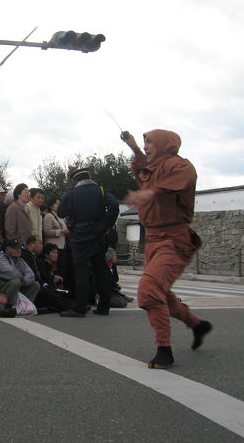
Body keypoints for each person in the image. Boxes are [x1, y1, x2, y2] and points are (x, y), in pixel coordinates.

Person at [122, 129, 212, 369]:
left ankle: (164, 350)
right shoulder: (154, 169)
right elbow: (144, 171)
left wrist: (148, 193)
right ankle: (196, 324)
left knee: (150, 290)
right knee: (161, 293)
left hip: (174, 240)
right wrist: (133, 147)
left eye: (149, 141)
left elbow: (166, 187)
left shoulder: (180, 166)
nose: (146, 145)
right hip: (153, 240)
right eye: (144, 141)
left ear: (164, 144)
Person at [58, 168, 119, 317]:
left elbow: (61, 212)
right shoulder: (101, 189)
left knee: (81, 271)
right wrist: (105, 225)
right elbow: (114, 206)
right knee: (101, 270)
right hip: (97, 235)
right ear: (89, 177)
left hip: (79, 236)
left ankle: (80, 307)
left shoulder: (71, 193)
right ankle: (104, 306)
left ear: (76, 180)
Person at [22, 238, 72, 313]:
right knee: (51, 294)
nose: (42, 246)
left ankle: (71, 305)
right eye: (40, 243)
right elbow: (33, 275)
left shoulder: (34, 257)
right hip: (33, 286)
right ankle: (71, 307)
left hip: (42, 285)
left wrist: (53, 279)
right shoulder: (26, 256)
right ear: (32, 245)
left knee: (62, 293)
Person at [0, 238, 40, 309]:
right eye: (15, 248)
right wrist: (23, 277)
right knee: (15, 282)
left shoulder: (21, 261)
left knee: (35, 284)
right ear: (7, 250)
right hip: (2, 292)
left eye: (19, 248)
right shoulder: (2, 261)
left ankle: (26, 307)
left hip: (18, 288)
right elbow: (13, 275)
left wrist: (23, 281)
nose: (18, 250)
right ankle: (12, 307)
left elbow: (31, 275)